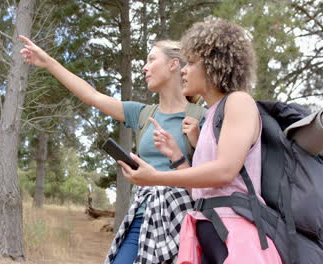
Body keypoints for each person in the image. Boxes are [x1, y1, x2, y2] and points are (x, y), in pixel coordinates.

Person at [19, 36, 205, 264]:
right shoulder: (143, 114)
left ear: (173, 64)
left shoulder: (201, 118)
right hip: (142, 216)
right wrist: (49, 63)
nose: (145, 67)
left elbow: (212, 178)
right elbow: (92, 96)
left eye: (151, 59)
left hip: (183, 221)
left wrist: (195, 141)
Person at [118, 18, 282, 264]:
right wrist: (176, 156)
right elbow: (199, 189)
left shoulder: (238, 101)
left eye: (191, 63)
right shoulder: (211, 115)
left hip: (236, 235)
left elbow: (224, 172)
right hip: (207, 231)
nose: (184, 70)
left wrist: (155, 178)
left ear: (214, 64)